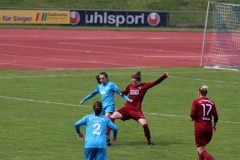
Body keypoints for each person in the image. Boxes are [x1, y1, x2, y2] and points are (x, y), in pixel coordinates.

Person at [107, 71, 168, 145]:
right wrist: (123, 92)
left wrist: (164, 76)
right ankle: (106, 136)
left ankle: (149, 142)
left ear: (139, 81)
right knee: (112, 116)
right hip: (126, 109)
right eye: (132, 82)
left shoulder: (144, 86)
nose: (133, 83)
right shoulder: (130, 86)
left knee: (144, 124)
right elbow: (126, 92)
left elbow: (155, 82)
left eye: (135, 82)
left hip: (136, 111)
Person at [80, 72, 131, 145]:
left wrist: (128, 99)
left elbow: (120, 93)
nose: (101, 80)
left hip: (110, 106)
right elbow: (92, 93)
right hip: (102, 107)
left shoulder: (111, 85)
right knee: (102, 121)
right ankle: (107, 140)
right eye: (100, 79)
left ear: (107, 78)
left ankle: (105, 138)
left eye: (103, 78)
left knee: (104, 120)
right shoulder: (99, 86)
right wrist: (83, 100)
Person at [190, 85, 218, 160]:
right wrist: (214, 126)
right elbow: (216, 117)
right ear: (206, 93)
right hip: (209, 129)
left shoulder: (196, 102)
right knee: (200, 150)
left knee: (201, 151)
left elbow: (192, 114)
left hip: (200, 128)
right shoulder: (211, 103)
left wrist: (192, 118)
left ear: (199, 92)